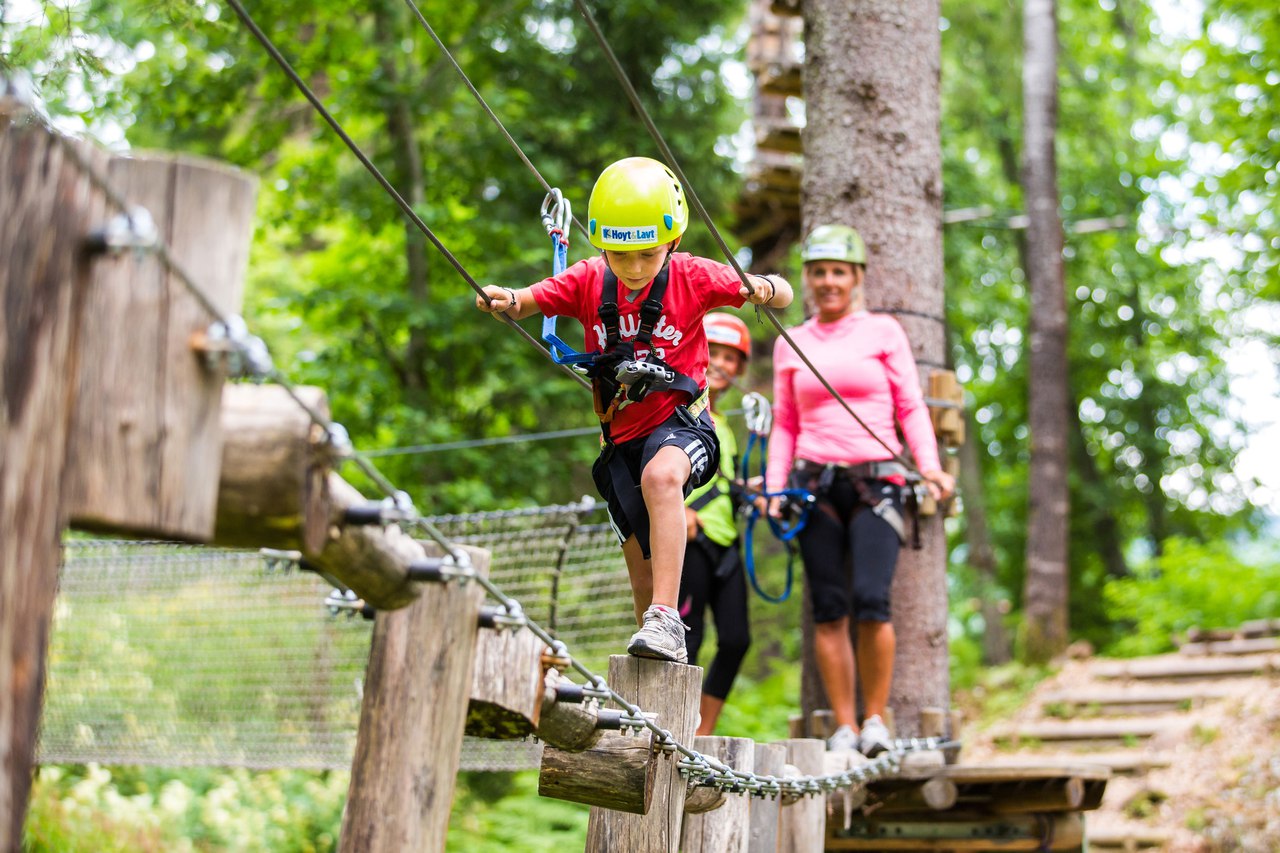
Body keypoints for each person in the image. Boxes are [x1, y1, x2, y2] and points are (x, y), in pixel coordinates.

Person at [476, 157, 793, 663]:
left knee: (662, 478)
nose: (636, 268)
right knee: (640, 563)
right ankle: (658, 655)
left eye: (648, 254)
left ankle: (669, 618)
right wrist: (505, 299)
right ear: (602, 246)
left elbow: (782, 292)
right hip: (619, 444)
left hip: (684, 427)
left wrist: (765, 288)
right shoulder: (588, 281)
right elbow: (530, 299)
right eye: (622, 256)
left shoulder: (691, 276)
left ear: (672, 240)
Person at [765, 224, 954, 755]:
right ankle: (845, 727)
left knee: (873, 600)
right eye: (820, 272)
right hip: (814, 484)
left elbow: (910, 406)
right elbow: (785, 423)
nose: (829, 282)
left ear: (856, 279)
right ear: (807, 279)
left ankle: (876, 719)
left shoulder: (883, 332)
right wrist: (778, 487)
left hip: (879, 481)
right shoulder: (792, 343)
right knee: (828, 606)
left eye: (838, 273)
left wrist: (931, 467)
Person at [679, 312, 754, 733]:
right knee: (688, 640)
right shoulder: (680, 409)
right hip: (691, 541)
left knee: (737, 639)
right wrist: (677, 512)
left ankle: (701, 732)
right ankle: (676, 727)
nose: (721, 365)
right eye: (714, 354)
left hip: (725, 543)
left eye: (731, 357)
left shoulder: (723, 424)